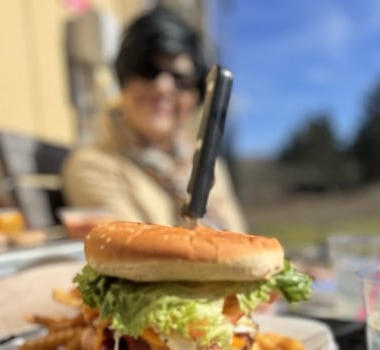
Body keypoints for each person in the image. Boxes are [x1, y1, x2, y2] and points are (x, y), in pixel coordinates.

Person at [62, 6, 247, 232]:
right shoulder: (93, 165)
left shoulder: (211, 167)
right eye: (148, 70)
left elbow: (239, 236)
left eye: (180, 79)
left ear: (196, 96)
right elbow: (134, 253)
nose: (163, 86)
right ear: (123, 79)